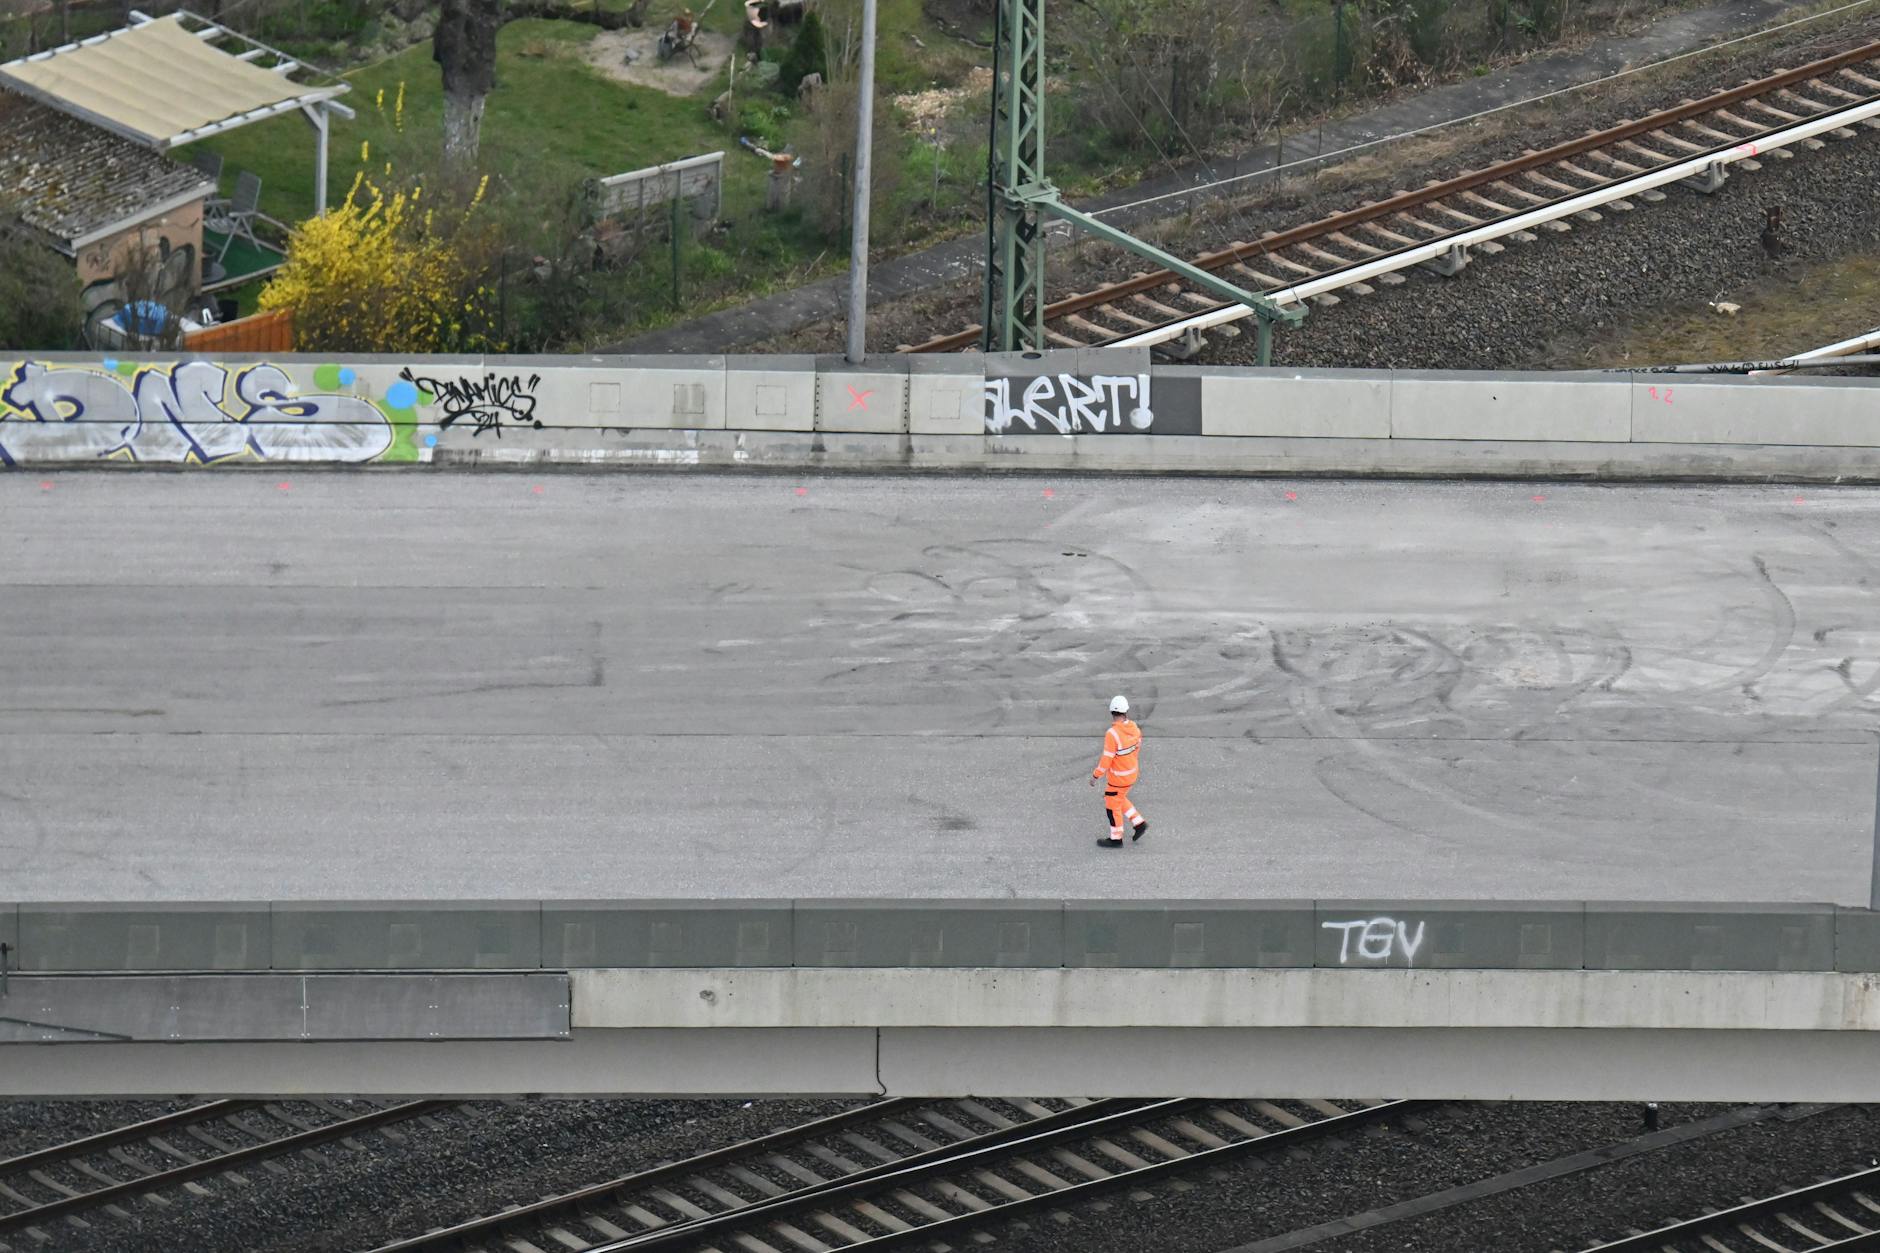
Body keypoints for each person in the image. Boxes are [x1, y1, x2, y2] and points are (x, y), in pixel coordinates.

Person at [1090, 695, 1148, 848]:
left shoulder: (1112, 734)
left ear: (1111, 712)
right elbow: (1137, 747)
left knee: (1111, 804)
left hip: (1119, 778)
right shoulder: (1134, 728)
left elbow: (1106, 759)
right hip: (1132, 773)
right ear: (1126, 711)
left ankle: (1116, 839)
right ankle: (1139, 823)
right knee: (1119, 798)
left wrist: (1096, 776)